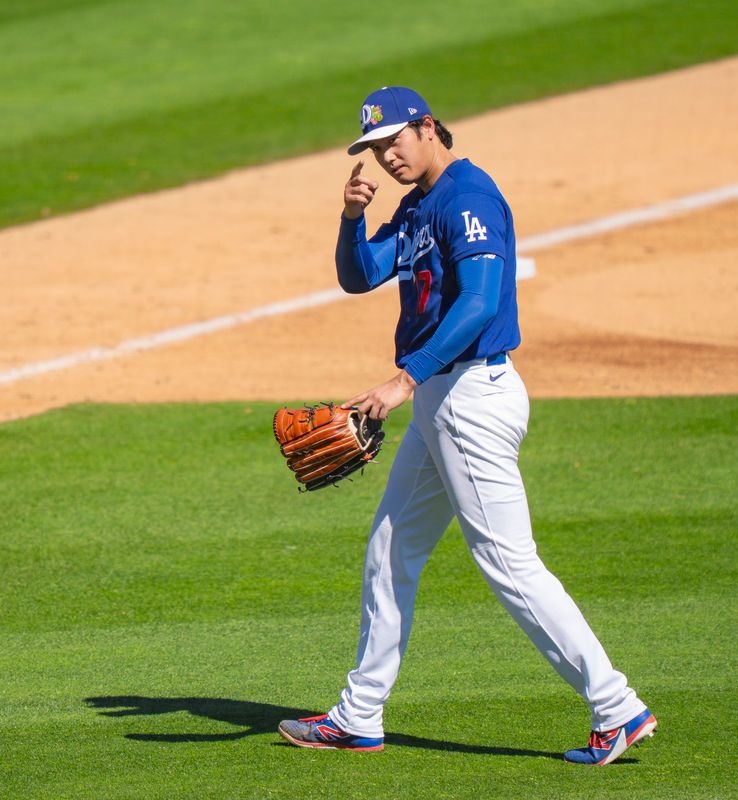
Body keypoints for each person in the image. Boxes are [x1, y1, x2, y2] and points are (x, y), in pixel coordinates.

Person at [277, 87, 656, 765]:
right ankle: (359, 714)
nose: (386, 156)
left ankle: (616, 707)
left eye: (395, 140)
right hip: (442, 404)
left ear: (427, 127)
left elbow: (481, 303)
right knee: (391, 550)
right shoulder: (417, 205)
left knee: (509, 563)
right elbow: (360, 275)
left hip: (469, 398)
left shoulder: (467, 197)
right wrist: (349, 219)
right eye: (374, 147)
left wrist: (405, 378)